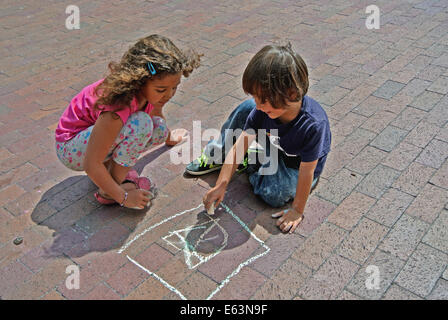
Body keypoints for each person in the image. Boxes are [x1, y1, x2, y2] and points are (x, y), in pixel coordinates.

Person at [186, 43, 331, 233]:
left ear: (292, 94)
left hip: (296, 167)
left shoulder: (313, 125)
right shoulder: (263, 110)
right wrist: (222, 184)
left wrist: (297, 210)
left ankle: (254, 162)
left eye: (262, 99)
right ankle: (218, 155)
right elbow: (239, 145)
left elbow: (306, 172)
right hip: (276, 146)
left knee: (273, 195)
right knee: (245, 109)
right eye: (255, 97)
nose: (258, 105)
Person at [55, 34, 201, 209]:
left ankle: (112, 175)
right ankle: (110, 190)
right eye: (162, 89)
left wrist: (169, 138)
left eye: (174, 87)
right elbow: (91, 164)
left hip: (95, 139)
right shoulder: (119, 105)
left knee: (159, 128)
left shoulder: (149, 95)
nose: (169, 95)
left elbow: (157, 113)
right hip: (71, 148)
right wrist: (123, 197)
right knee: (141, 124)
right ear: (139, 81)